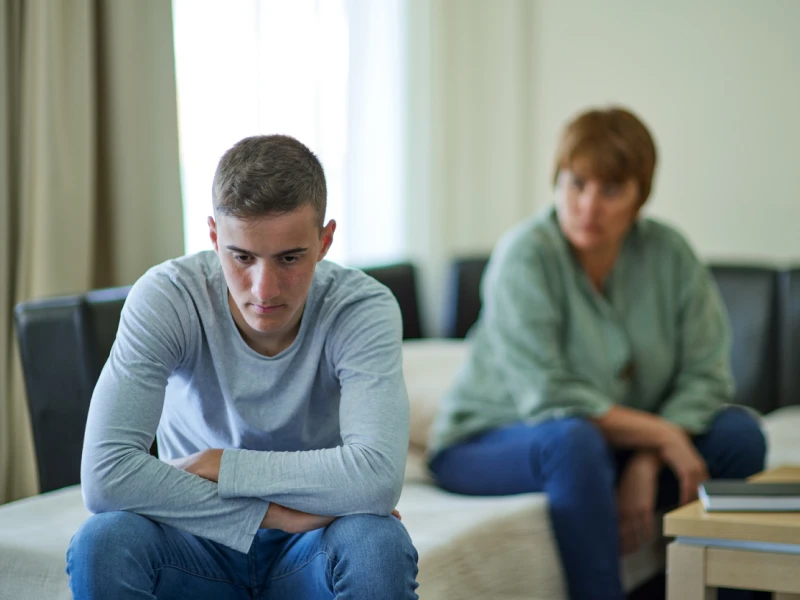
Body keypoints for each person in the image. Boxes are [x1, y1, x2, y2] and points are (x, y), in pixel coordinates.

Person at [427, 107, 766, 600]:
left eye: (610, 190)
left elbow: (707, 374)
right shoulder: (524, 255)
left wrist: (648, 457)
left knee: (740, 435)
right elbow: (549, 394)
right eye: (576, 183)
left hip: (609, 444)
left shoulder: (671, 254)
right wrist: (664, 434)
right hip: (485, 442)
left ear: (639, 197)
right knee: (572, 441)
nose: (588, 205)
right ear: (556, 182)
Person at [67, 135, 419, 599]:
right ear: (214, 237)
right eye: (242, 257)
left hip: (309, 546)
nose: (264, 289)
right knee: (103, 540)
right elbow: (105, 475)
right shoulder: (169, 297)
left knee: (375, 542)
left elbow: (375, 478)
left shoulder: (362, 307)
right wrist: (267, 513)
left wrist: (218, 464)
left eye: (290, 258)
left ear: (325, 240)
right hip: (192, 539)